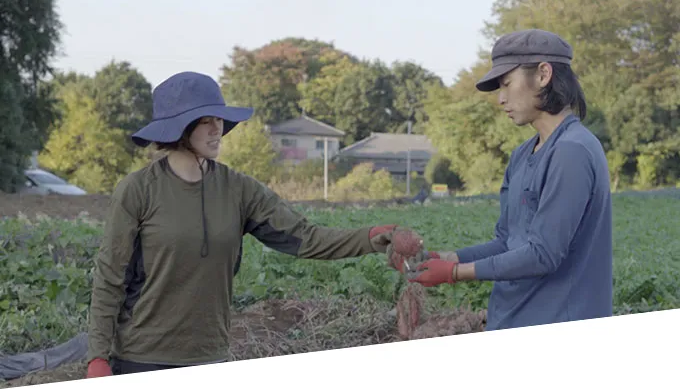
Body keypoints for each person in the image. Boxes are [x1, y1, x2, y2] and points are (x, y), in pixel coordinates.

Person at [85, 71, 417, 377]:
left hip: (209, 355)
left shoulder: (238, 189)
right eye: (206, 121)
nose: (218, 130)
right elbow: (110, 276)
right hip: (142, 357)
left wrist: (374, 236)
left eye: (220, 120)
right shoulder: (138, 190)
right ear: (179, 129)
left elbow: (306, 237)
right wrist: (97, 357)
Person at [405, 29, 613, 331]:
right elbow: (507, 241)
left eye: (507, 84)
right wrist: (443, 258)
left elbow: (543, 255)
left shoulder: (572, 152)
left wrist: (454, 272)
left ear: (543, 74)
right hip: (511, 317)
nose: (501, 99)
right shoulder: (521, 155)